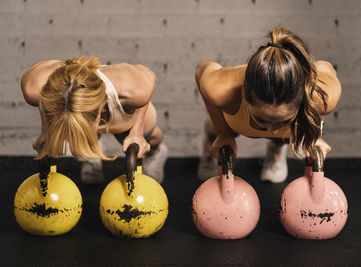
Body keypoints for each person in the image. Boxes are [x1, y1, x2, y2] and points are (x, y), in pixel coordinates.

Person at [196, 26, 341, 183]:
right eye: (263, 120)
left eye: (284, 120)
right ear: (246, 96)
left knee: (285, 134)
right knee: (213, 129)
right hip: (235, 122)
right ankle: (211, 146)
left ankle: (277, 147)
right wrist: (223, 133)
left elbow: (324, 67)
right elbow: (201, 70)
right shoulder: (223, 91)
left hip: (293, 125)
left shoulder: (322, 97)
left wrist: (314, 134)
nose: (272, 129)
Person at [20, 56, 168, 184]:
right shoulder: (33, 89)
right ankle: (91, 153)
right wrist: (46, 131)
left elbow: (149, 75)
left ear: (99, 114)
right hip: (75, 105)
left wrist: (137, 132)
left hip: (125, 115)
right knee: (67, 130)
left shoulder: (133, 89)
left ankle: (157, 152)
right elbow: (45, 102)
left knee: (150, 136)